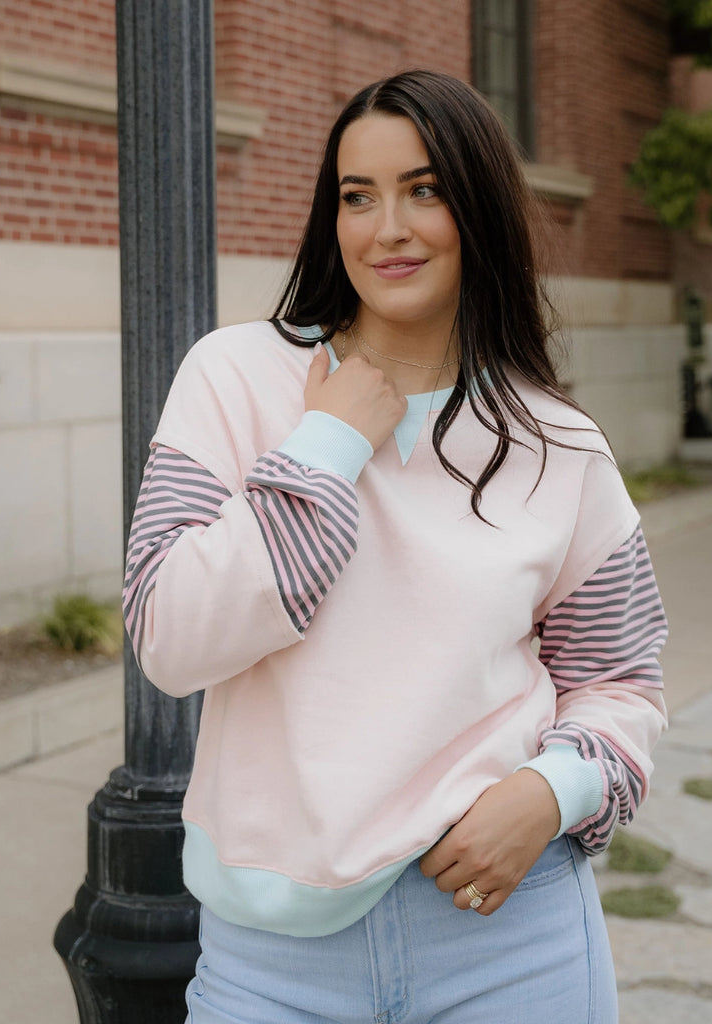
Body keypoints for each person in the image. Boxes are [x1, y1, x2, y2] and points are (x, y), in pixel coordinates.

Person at [123, 68, 667, 1023]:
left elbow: (619, 680)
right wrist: (325, 447)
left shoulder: (558, 442)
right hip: (272, 961)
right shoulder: (236, 377)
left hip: (507, 935)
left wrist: (552, 790)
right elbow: (169, 638)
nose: (388, 229)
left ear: (478, 205)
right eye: (357, 196)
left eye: (424, 190)